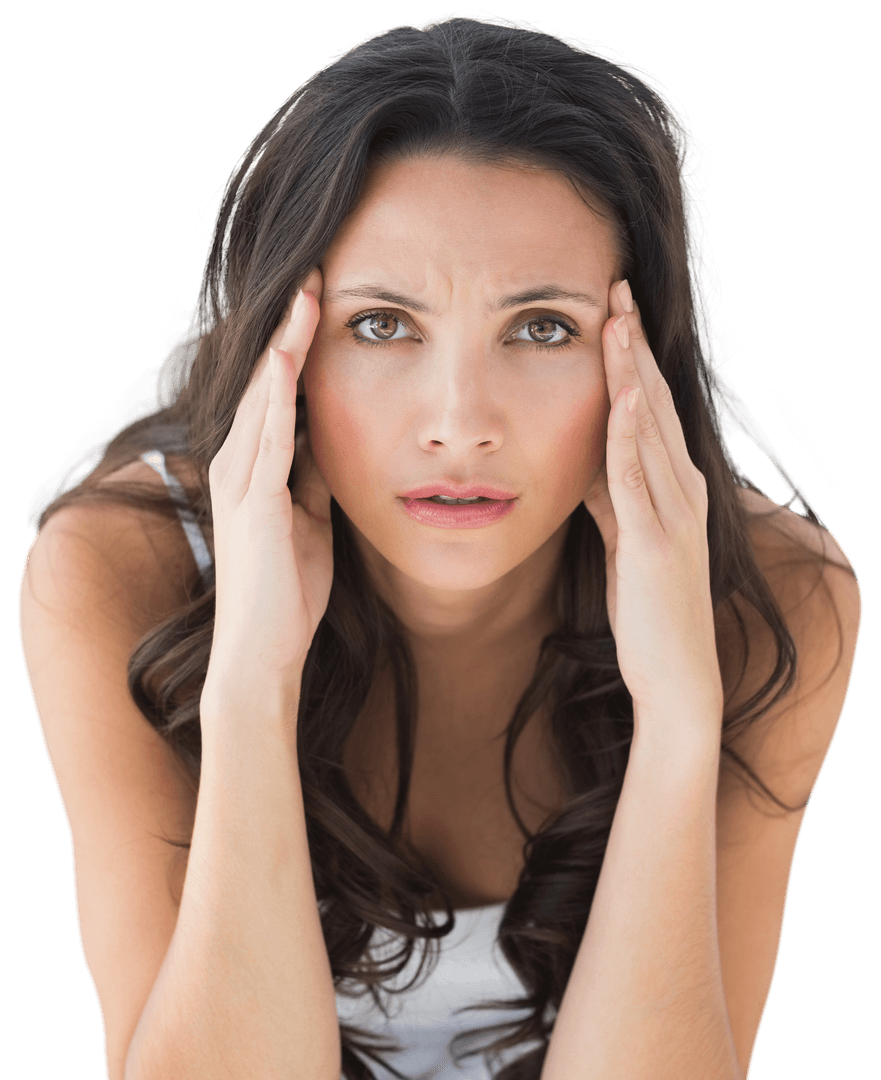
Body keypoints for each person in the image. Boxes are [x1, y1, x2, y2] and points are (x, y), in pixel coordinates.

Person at [18, 13, 861, 1080]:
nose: (459, 422)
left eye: (542, 328)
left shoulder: (775, 599)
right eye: (381, 325)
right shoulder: (119, 577)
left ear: (641, 360)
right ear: (283, 349)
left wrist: (677, 716)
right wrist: (251, 686)